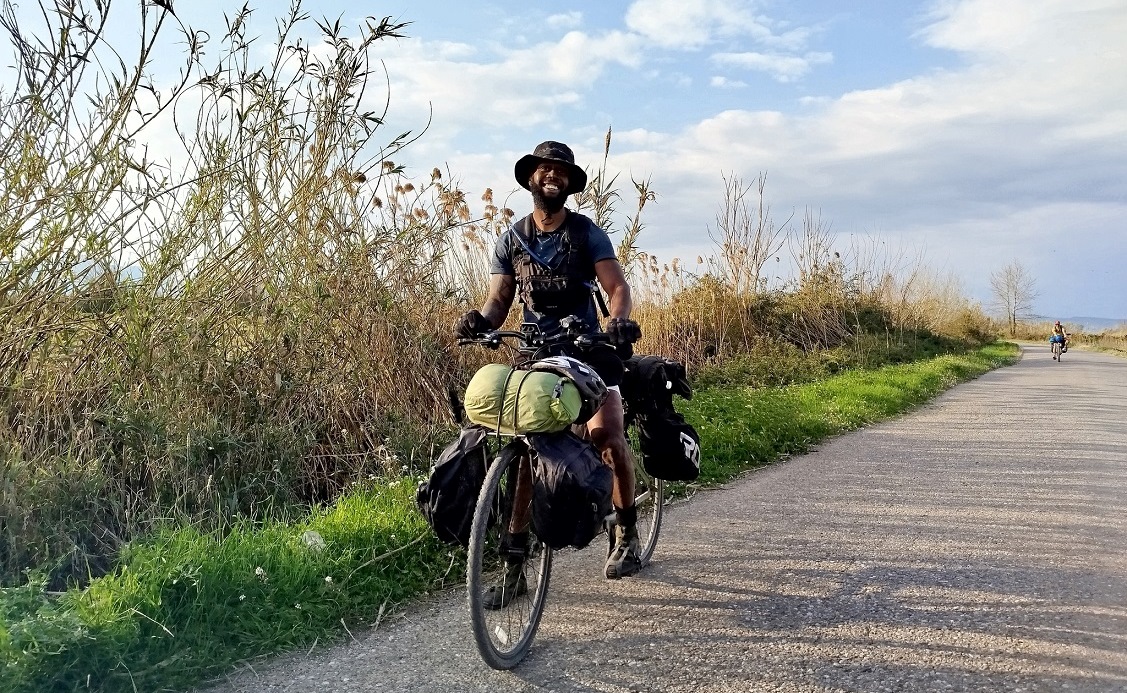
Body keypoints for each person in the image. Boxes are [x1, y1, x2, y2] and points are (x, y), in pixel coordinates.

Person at [454, 141, 644, 591]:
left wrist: (617, 322)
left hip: (587, 350)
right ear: (531, 178)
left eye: (561, 170)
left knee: (607, 436)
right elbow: (499, 299)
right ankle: (515, 567)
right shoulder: (512, 239)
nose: (552, 175)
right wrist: (481, 321)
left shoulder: (586, 233)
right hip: (534, 354)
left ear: (569, 182)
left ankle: (627, 533)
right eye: (545, 168)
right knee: (527, 453)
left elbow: (617, 287)